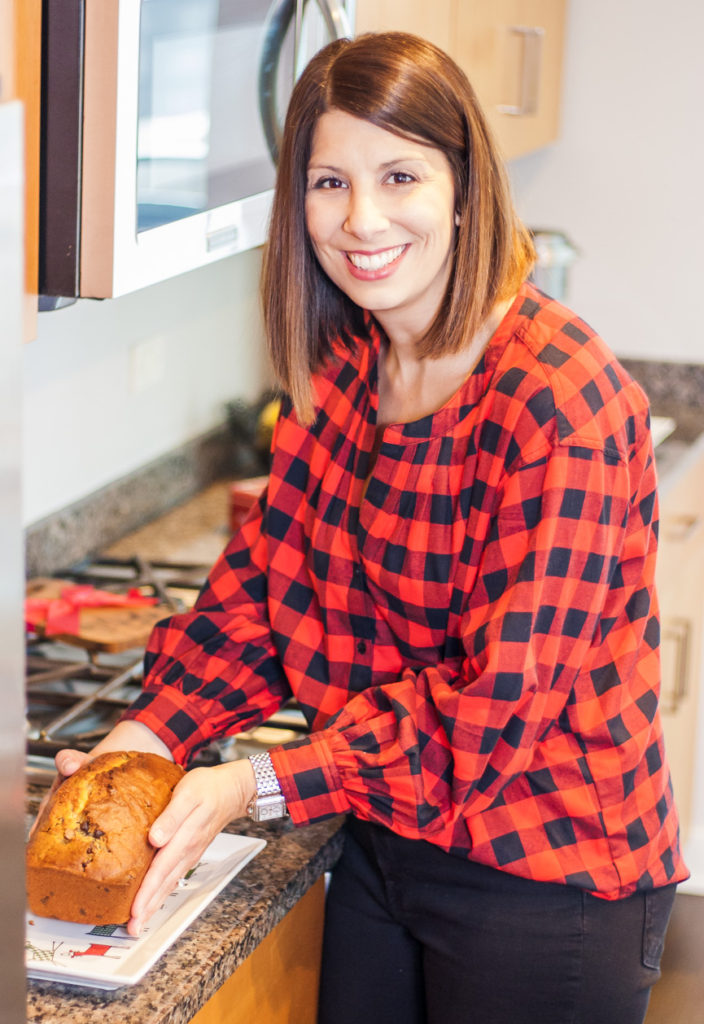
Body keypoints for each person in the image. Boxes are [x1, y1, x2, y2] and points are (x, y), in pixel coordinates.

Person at [47, 31, 687, 1024]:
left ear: (464, 188)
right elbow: (266, 596)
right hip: (385, 840)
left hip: (542, 881)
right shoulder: (343, 370)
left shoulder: (554, 403)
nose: (360, 219)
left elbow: (492, 719)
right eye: (327, 182)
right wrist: (150, 735)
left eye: (398, 175)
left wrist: (248, 785)